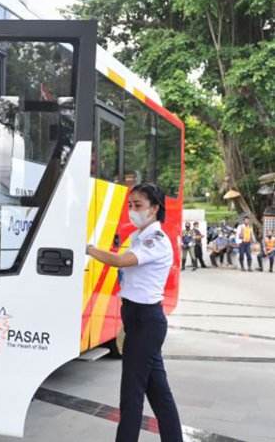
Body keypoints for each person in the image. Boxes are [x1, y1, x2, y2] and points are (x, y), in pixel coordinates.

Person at [86, 183, 184, 442]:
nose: (132, 210)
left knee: (131, 396)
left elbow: (120, 262)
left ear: (154, 209)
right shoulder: (138, 237)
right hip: (137, 319)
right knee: (159, 394)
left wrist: (88, 249)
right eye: (130, 205)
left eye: (138, 205)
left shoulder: (156, 240)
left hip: (147, 321)